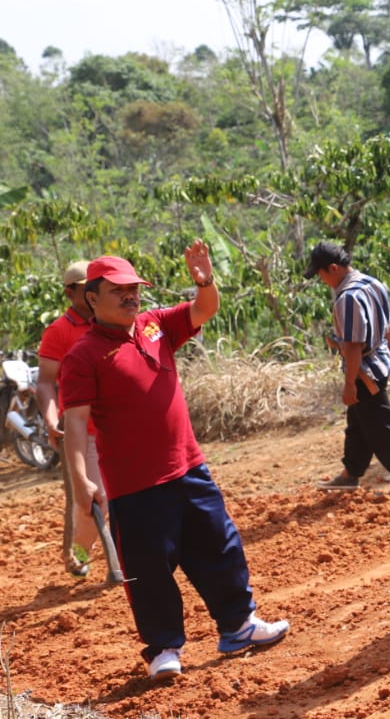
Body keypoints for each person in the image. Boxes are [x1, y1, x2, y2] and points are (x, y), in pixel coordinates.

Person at [59, 245, 289, 682]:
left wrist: (205, 281)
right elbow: (74, 423)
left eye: (133, 289)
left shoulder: (155, 325)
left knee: (220, 546)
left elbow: (205, 309)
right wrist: (81, 480)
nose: (131, 296)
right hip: (134, 485)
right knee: (148, 569)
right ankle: (164, 647)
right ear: (92, 297)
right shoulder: (82, 355)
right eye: (119, 291)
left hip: (189, 467)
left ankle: (238, 625)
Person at [306, 242, 390, 499]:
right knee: (358, 423)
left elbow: (354, 345)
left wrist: (349, 384)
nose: (322, 281)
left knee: (382, 429)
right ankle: (351, 473)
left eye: (321, 275)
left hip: (364, 371)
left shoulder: (347, 298)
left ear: (333, 268)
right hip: (379, 362)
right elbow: (388, 327)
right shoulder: (372, 283)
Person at [35, 260, 104, 578]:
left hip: (117, 428)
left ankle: (128, 558)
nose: (93, 293)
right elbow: (46, 382)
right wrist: (52, 421)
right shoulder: (59, 332)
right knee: (88, 502)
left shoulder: (111, 322)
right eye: (86, 288)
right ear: (70, 293)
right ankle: (79, 555)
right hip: (82, 431)